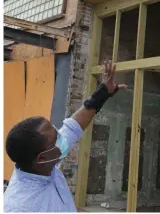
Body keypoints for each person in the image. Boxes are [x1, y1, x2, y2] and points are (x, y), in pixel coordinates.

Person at [4, 60, 127, 212]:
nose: (62, 138)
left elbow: (73, 126)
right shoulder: (20, 207)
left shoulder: (45, 165)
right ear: (42, 157)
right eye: (57, 139)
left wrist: (103, 92)